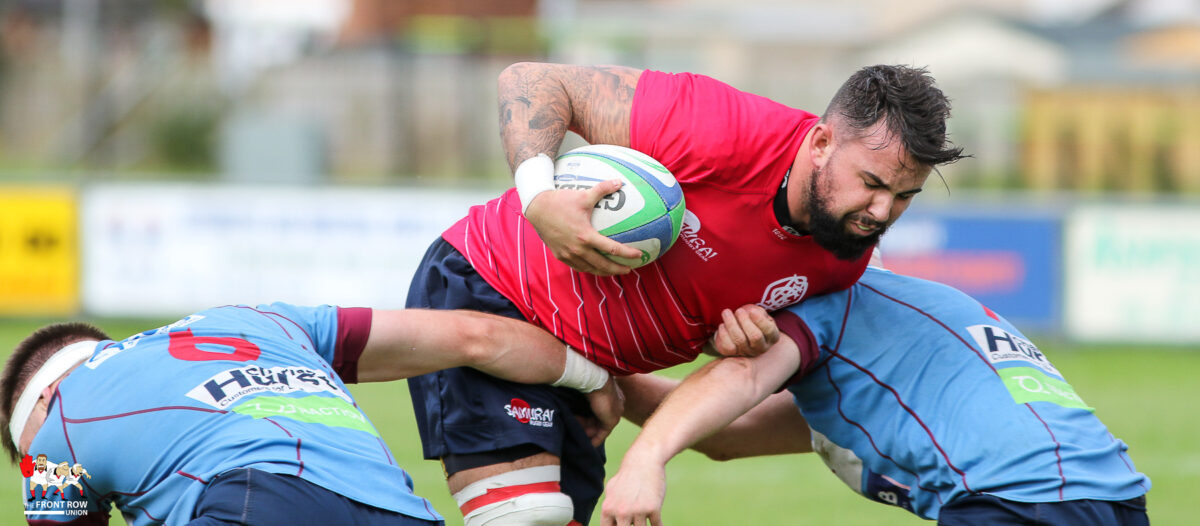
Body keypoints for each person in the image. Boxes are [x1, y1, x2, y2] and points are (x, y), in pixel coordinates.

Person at [407, 62, 966, 525]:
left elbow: (737, 403)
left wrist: (734, 346)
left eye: (903, 196)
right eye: (871, 184)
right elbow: (530, 80)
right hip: (493, 284)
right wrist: (538, 199)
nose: (881, 213)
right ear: (820, 143)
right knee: (527, 516)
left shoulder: (846, 261)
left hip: (587, 367)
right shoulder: (721, 127)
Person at [601, 266, 1151, 526]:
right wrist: (594, 371)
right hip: (1113, 501)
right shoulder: (884, 353)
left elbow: (738, 379)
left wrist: (645, 459)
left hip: (1023, 503)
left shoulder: (831, 298)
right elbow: (727, 433)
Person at [0, 303, 622, 525]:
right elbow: (474, 338)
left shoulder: (60, 429)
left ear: (43, 401)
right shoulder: (263, 322)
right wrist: (595, 379)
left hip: (254, 503)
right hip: (401, 512)